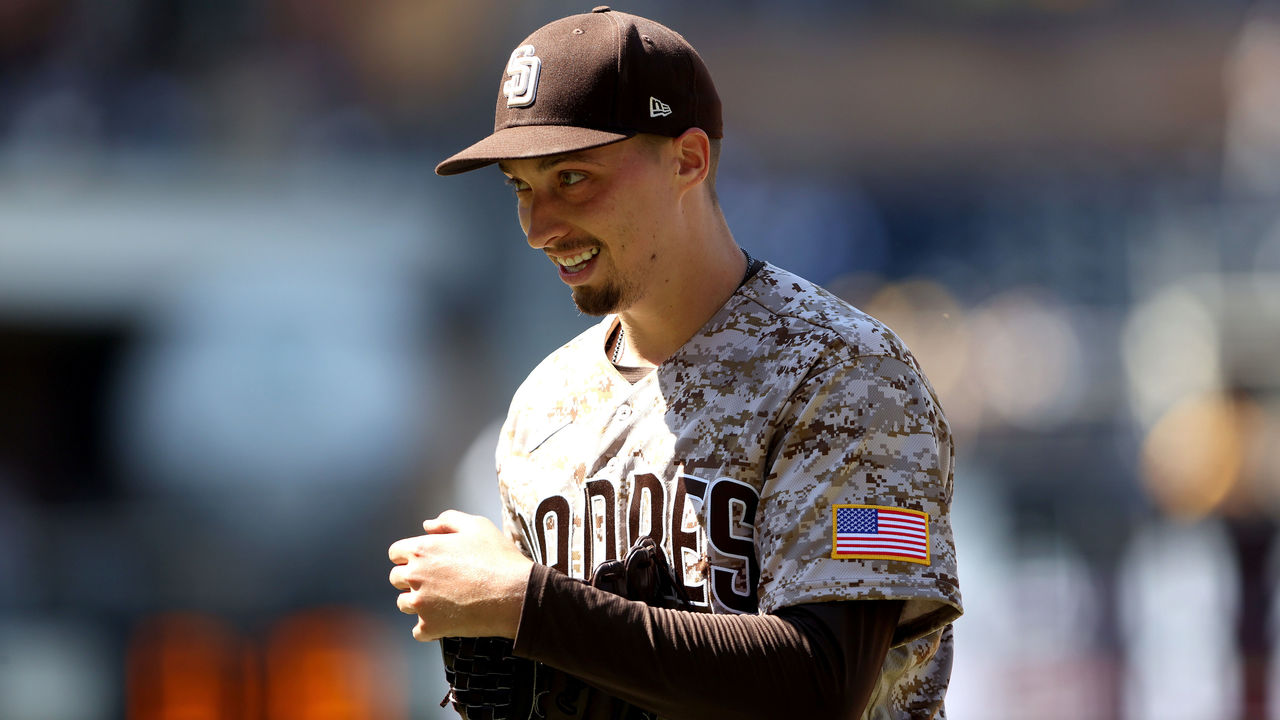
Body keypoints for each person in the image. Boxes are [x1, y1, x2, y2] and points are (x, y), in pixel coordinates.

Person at [388, 7, 962, 718]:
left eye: (572, 178)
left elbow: (823, 685)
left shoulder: (850, 376)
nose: (539, 227)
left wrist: (524, 603)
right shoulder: (543, 408)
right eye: (521, 187)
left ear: (688, 159)